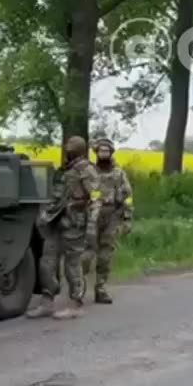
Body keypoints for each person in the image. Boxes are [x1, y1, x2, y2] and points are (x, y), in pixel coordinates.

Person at [26, 136, 100, 320]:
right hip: (56, 222)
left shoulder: (87, 170)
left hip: (75, 222)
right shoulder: (65, 170)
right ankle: (47, 302)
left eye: (71, 147)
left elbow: (97, 198)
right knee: (47, 262)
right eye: (67, 146)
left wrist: (91, 224)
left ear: (80, 150)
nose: (67, 149)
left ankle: (75, 304)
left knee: (72, 264)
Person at [91, 137, 133, 304]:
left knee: (105, 255)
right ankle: (77, 289)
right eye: (101, 151)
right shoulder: (90, 172)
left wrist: (127, 218)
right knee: (85, 255)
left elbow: (127, 196)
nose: (104, 154)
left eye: (107, 151)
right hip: (92, 217)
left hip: (111, 216)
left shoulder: (118, 173)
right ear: (96, 153)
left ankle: (100, 288)